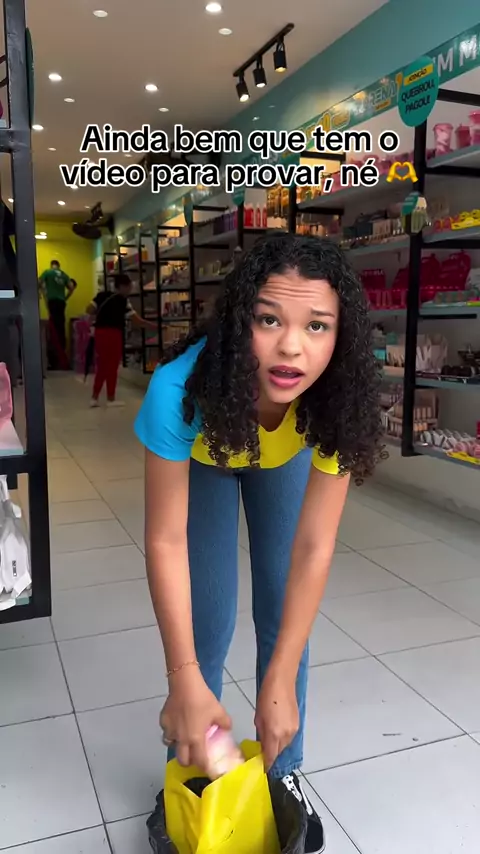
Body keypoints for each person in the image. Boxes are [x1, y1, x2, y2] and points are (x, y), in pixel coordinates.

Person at [134, 232, 383, 853]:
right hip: (209, 455)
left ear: (341, 335)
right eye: (269, 319)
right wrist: (182, 676)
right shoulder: (177, 391)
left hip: (281, 460)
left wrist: (279, 680)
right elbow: (165, 541)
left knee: (283, 617)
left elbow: (314, 548)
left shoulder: (338, 399)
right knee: (208, 620)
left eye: (317, 325)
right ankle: (195, 765)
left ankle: (283, 769)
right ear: (239, 318)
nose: (292, 347)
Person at [87, 272, 156, 407]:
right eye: (129, 286)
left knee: (102, 365)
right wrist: (155, 326)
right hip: (114, 334)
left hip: (100, 333)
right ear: (123, 286)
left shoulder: (101, 296)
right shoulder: (124, 301)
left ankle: (94, 397)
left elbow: (89, 309)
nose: (130, 289)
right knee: (112, 366)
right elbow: (138, 321)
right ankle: (110, 398)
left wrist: (98, 316)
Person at [38, 260, 76, 367]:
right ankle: (61, 355)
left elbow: (39, 282)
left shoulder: (48, 272)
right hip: (61, 303)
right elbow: (71, 287)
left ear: (52, 265)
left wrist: (40, 291)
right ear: (59, 266)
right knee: (61, 327)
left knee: (53, 327)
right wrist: (65, 298)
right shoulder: (64, 274)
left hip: (52, 301)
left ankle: (54, 359)